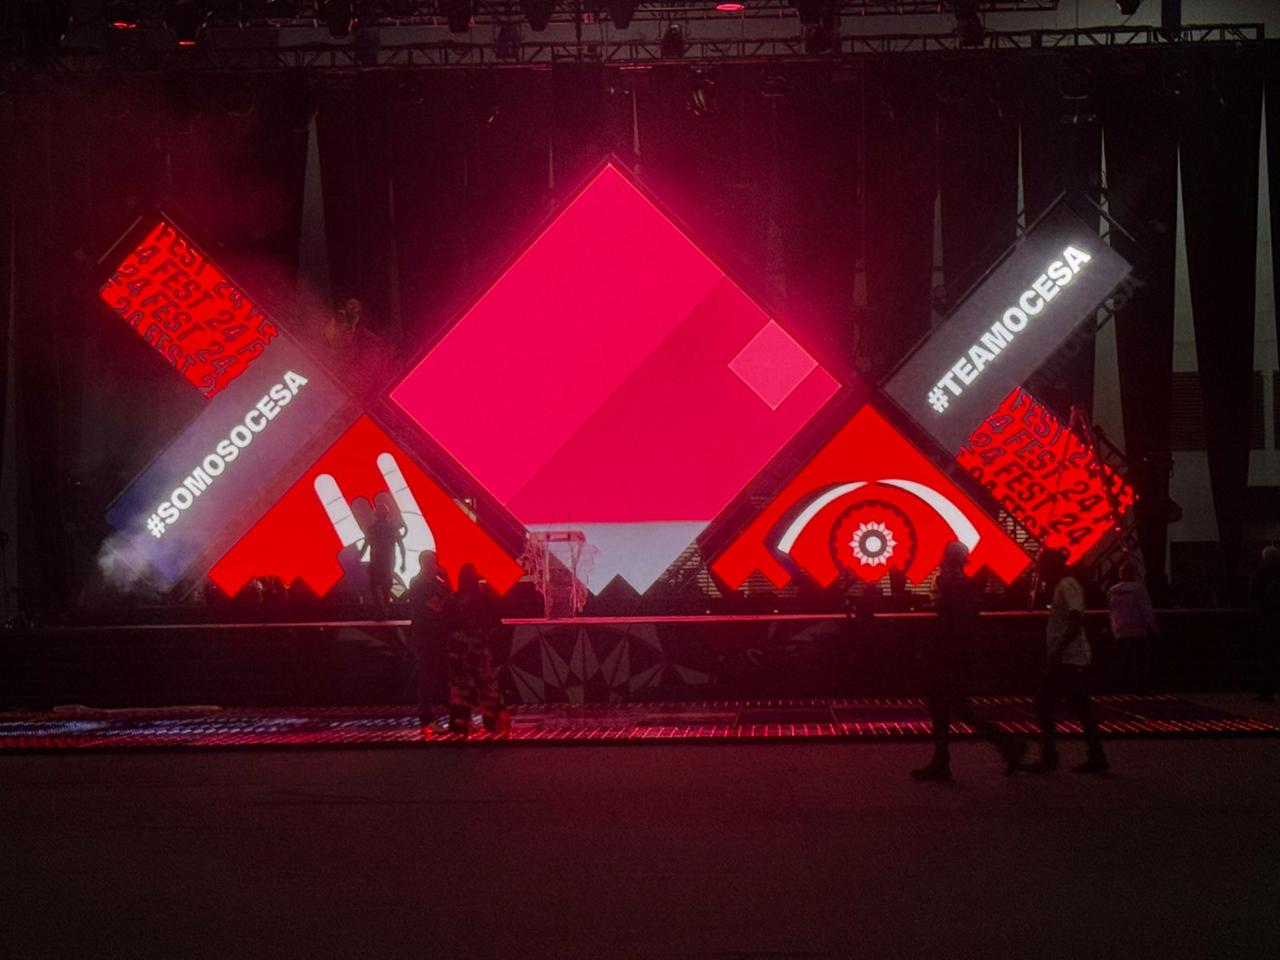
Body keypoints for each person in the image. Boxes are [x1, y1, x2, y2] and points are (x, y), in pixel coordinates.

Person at [912, 541, 1026, 782]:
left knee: (946, 706)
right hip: (957, 655)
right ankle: (1002, 745)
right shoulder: (965, 586)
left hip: (947, 656)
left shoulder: (950, 585)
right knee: (949, 706)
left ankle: (1005, 744)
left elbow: (946, 622)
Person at [1030, 548, 1108, 774]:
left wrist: (1058, 650)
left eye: (1042, 568)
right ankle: (1095, 756)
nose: (1040, 574)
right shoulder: (1068, 585)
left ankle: (1050, 756)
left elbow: (1075, 619)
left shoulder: (1066, 586)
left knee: (1043, 704)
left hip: (1068, 660)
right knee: (1081, 708)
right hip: (1073, 659)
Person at [445, 564, 510, 737]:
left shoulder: (453, 600)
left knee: (461, 686)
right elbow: (495, 622)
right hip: (478, 646)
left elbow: (446, 623)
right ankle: (491, 721)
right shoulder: (483, 599)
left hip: (458, 649)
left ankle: (460, 722)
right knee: (487, 685)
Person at [407, 551, 451, 736]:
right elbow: (437, 605)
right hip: (426, 635)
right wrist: (446, 583)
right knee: (428, 677)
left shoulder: (426, 582)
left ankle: (442, 716)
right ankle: (427, 718)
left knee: (438, 676)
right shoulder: (420, 583)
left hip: (433, 635)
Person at [1107, 559, 1159, 689]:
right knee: (1139, 661)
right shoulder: (1138, 589)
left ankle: (1122, 686)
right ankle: (1139, 686)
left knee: (1123, 660)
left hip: (1120, 630)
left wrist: (1113, 628)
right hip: (1137, 630)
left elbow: (1111, 611)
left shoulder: (1112, 591)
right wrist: (1153, 627)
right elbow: (1146, 609)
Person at [362, 502, 405, 615]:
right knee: (386, 586)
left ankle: (381, 609)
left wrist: (359, 556)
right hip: (389, 561)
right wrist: (403, 562)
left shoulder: (372, 528)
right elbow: (401, 546)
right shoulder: (392, 529)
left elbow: (366, 544)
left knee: (375, 585)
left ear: (376, 515)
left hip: (376, 560)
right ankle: (384, 608)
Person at [1249, 545, 1280, 702]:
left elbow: (1253, 593)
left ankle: (1267, 691)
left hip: (1268, 619)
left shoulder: (1261, 573)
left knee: (1268, 657)